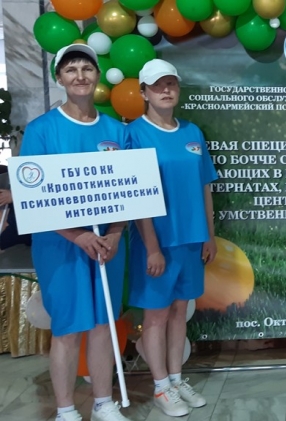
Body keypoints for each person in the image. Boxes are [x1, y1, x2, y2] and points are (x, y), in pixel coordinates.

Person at [19, 44, 130, 421]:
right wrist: (77, 235)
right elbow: (33, 195)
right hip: (60, 247)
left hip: (107, 245)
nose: (80, 75)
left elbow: (131, 192)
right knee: (67, 328)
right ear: (59, 78)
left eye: (86, 68)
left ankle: (103, 402)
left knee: (102, 324)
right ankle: (66, 409)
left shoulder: (116, 130)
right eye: (70, 69)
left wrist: (115, 234)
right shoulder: (42, 130)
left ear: (97, 75)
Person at [126, 58, 218, 417]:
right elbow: (134, 196)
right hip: (157, 243)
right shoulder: (134, 134)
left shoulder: (192, 132)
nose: (166, 90)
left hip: (191, 240)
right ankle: (161, 386)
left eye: (171, 84)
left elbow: (205, 186)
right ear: (144, 92)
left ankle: (177, 380)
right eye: (157, 85)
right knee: (156, 316)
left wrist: (209, 235)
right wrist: (151, 247)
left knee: (180, 312)